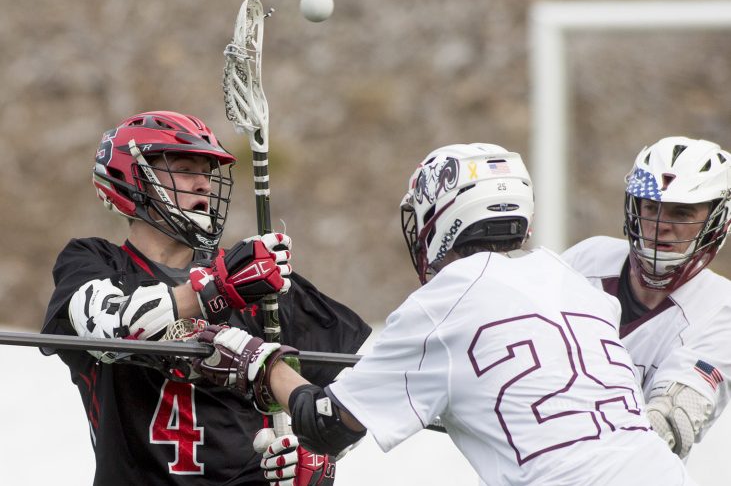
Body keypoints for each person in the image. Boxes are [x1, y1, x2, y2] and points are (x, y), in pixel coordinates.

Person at [188, 143, 695, 485]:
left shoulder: (446, 301)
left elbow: (326, 424)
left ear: (443, 217)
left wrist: (263, 363)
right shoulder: (576, 285)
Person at [41, 110, 371, 486]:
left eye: (207, 174)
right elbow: (109, 328)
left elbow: (351, 402)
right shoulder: (94, 263)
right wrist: (215, 288)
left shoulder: (258, 280)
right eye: (184, 169)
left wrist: (315, 454)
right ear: (131, 179)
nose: (204, 185)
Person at [561, 136, 731, 459]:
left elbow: (673, 416)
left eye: (681, 214)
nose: (659, 226)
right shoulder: (586, 261)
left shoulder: (721, 308)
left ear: (715, 222)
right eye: (652, 207)